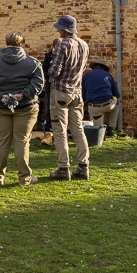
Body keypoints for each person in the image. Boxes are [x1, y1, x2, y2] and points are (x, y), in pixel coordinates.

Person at [0, 31, 44, 186]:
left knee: (2, 141)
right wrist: (22, 95)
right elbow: (38, 85)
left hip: (0, 107)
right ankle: (24, 178)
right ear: (22, 44)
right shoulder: (33, 62)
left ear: (6, 43)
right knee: (22, 141)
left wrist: (0, 96)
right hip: (26, 107)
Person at [46, 15, 91, 181]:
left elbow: (54, 71)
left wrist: (48, 71)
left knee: (59, 130)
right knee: (78, 130)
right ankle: (83, 167)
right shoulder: (84, 45)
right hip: (77, 92)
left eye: (59, 28)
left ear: (65, 29)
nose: (57, 30)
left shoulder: (62, 45)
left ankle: (63, 168)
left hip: (60, 91)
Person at [82, 60, 120, 136]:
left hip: (93, 107)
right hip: (107, 104)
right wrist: (114, 99)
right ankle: (111, 129)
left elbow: (83, 94)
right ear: (104, 68)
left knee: (98, 130)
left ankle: (101, 134)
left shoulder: (86, 76)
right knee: (117, 104)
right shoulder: (108, 75)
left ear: (93, 67)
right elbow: (116, 94)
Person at [39, 38, 60, 146]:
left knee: (54, 111)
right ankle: (48, 135)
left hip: (58, 87)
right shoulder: (49, 56)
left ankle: (56, 136)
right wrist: (52, 75)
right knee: (50, 111)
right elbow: (44, 72)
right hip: (51, 87)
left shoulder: (62, 55)